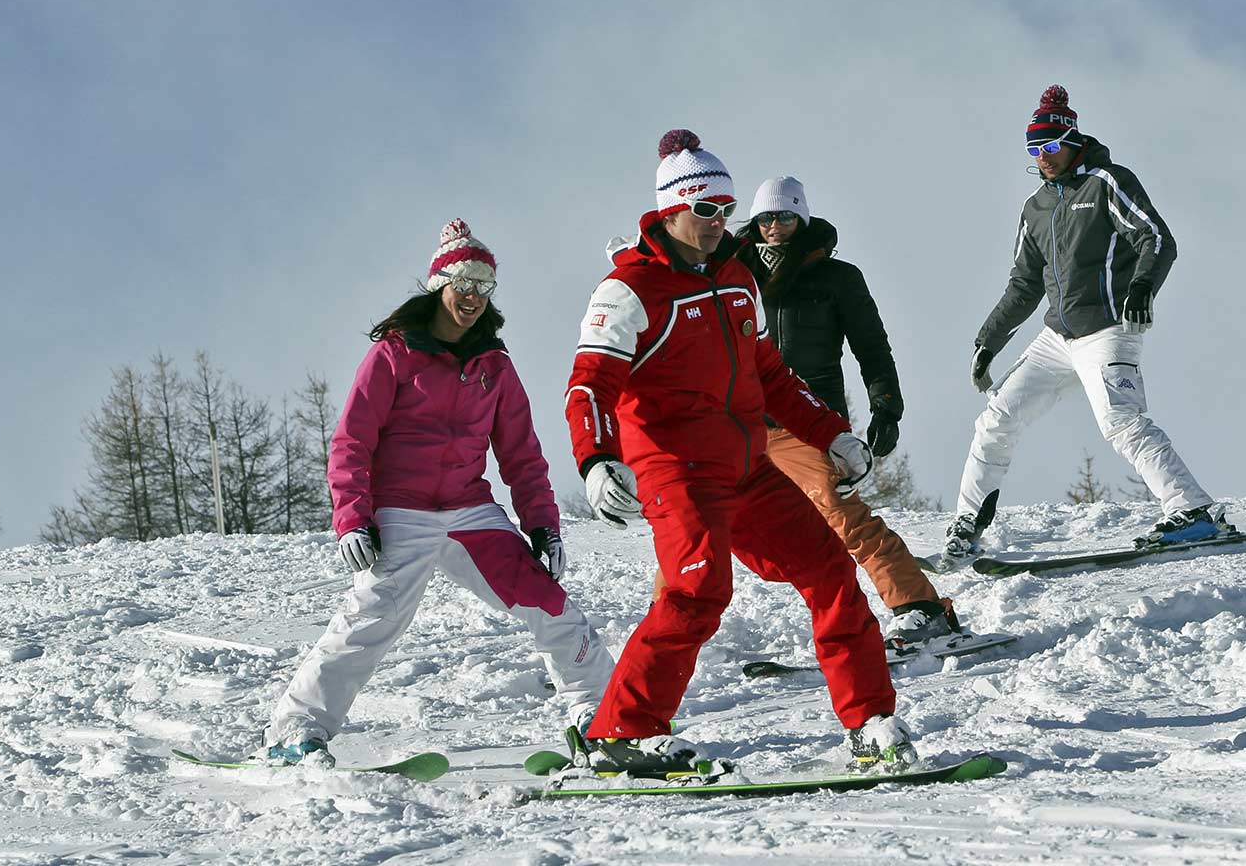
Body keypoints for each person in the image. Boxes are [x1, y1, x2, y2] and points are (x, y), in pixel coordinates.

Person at [564, 130, 916, 776]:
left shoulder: (735, 280)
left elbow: (772, 377)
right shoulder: (629, 290)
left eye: (726, 211)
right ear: (671, 208)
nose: (719, 224)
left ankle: (869, 721)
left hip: (749, 466)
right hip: (677, 470)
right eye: (706, 211)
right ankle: (624, 732)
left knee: (831, 569)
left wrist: (830, 434)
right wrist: (594, 460)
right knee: (700, 588)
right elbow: (589, 385)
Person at [260, 219, 614, 766]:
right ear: (439, 286)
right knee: (370, 621)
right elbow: (352, 439)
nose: (473, 297)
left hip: (471, 511)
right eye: (463, 284)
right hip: (401, 509)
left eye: (484, 287)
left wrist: (543, 523)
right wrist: (352, 516)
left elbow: (520, 451)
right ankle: (295, 730)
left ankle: (601, 717)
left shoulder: (494, 366)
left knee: (552, 606)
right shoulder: (395, 354)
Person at [939, 86, 1226, 567]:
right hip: (1057, 337)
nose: (1043, 158)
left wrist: (1142, 288)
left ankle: (1193, 510)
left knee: (1120, 420)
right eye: (1034, 150)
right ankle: (967, 525)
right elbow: (1023, 285)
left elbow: (1156, 238)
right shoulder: (1035, 208)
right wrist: (987, 342)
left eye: (1050, 147)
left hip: (1109, 326)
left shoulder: (1107, 182)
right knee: (996, 417)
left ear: (1072, 140)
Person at [719, 175, 964, 642]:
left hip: (808, 421)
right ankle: (665, 630)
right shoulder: (732, 273)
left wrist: (886, 406)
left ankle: (920, 606)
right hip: (738, 421)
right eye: (766, 217)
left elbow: (871, 345)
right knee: (698, 520)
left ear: (802, 218)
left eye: (786, 216)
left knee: (839, 510)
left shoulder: (837, 277)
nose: (775, 226)